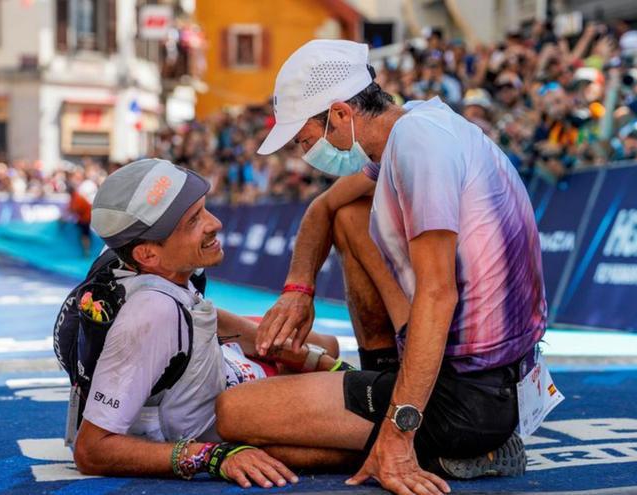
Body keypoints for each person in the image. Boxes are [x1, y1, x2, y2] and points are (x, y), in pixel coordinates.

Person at [214, 39, 547, 495]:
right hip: (481, 375)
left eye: (305, 139)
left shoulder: (419, 148)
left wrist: (398, 433)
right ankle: (395, 397)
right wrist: (299, 290)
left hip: (470, 394)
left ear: (340, 114)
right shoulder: (409, 126)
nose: (303, 152)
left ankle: (440, 440)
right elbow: (323, 210)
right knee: (351, 217)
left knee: (236, 415)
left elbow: (438, 294)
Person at [72, 158, 349, 487]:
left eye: (204, 210)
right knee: (358, 429)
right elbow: (91, 450)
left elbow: (205, 321)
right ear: (148, 255)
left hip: (233, 376)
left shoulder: (152, 269)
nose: (215, 223)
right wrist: (211, 457)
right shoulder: (150, 312)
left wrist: (314, 358)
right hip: (238, 412)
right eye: (193, 221)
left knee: (324, 344)